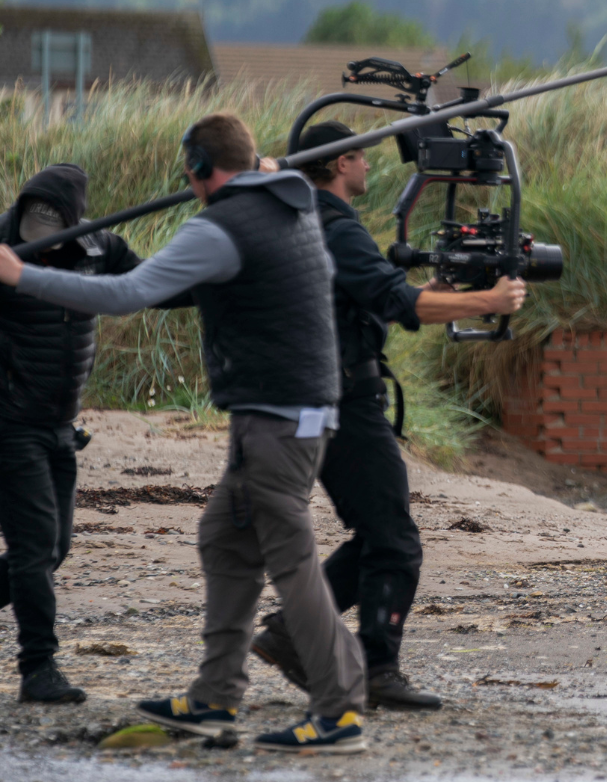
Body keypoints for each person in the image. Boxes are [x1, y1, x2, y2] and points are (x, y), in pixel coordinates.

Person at [0, 114, 368, 753]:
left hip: (275, 426)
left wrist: (19, 275)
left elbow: (127, 293)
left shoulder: (220, 228)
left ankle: (339, 711)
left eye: (190, 169)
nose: (186, 180)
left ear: (200, 169)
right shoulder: (296, 197)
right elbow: (276, 176)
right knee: (225, 541)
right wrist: (261, 169)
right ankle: (214, 699)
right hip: (291, 417)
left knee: (293, 564)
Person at [248, 121, 526, 710]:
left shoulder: (304, 222)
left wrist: (439, 290)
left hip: (317, 398)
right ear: (341, 163)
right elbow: (395, 301)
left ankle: (293, 634)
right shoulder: (334, 227)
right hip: (343, 402)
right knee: (394, 540)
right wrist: (489, 301)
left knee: (380, 534)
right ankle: (372, 667)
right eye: (362, 159)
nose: (370, 167)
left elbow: (368, 300)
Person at [0, 164, 180, 704]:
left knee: (54, 549)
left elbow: (154, 289)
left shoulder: (101, 245)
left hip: (61, 425)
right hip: (9, 425)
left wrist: (226, 282)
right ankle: (39, 670)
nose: (45, 248)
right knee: (33, 551)